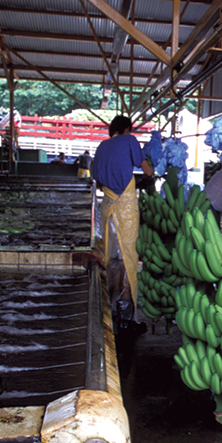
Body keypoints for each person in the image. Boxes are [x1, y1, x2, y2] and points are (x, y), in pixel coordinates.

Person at [92, 115, 154, 329]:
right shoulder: (130, 140)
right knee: (128, 259)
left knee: (112, 259)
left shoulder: (102, 146)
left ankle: (109, 310)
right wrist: (145, 180)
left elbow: (98, 180)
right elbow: (148, 171)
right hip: (126, 210)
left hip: (108, 210)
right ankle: (127, 316)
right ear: (127, 128)